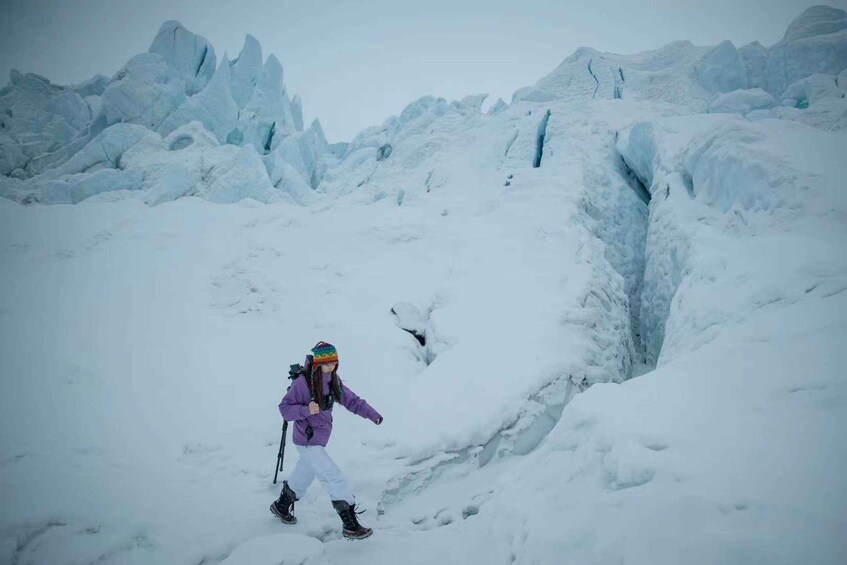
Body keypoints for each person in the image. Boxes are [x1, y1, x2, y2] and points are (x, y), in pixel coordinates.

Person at [270, 341, 383, 540]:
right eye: (327, 363)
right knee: (334, 477)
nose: (331, 367)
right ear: (318, 363)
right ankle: (351, 526)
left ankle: (281, 506)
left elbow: (353, 401)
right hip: (307, 440)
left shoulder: (333, 380)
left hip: (318, 439)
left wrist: (373, 415)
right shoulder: (303, 383)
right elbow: (284, 408)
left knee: (302, 478)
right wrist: (306, 410)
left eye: (334, 363)